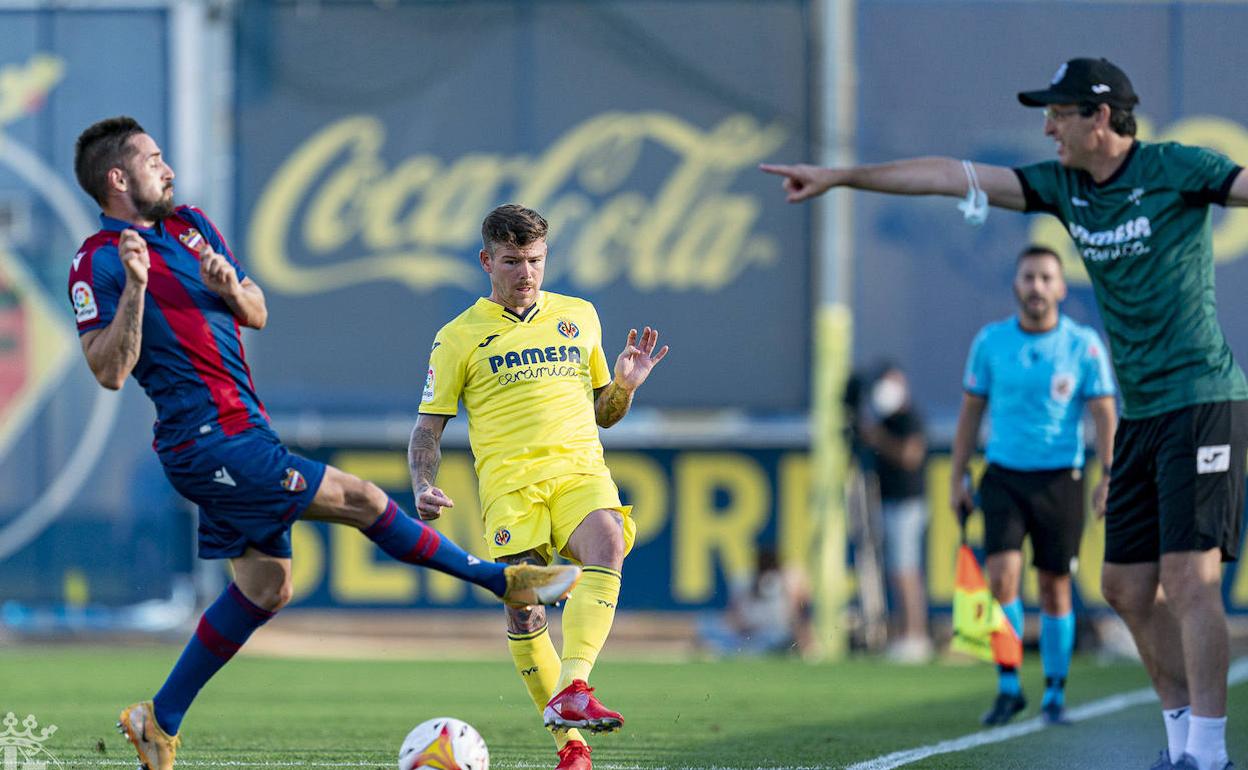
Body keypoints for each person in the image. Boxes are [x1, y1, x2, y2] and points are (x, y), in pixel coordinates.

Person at [762, 57, 1247, 770]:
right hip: (1144, 413)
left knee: (1187, 580)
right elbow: (943, 175)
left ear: (1100, 118)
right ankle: (1181, 741)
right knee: (1122, 587)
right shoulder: (1062, 187)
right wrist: (841, 177)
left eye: (1059, 114)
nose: (1047, 127)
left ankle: (1206, 754)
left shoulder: (1178, 167)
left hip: (1203, 401)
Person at [68, 117, 579, 770]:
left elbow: (257, 310)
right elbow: (108, 369)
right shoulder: (99, 262)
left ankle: (157, 720)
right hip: (205, 441)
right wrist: (136, 290)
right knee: (362, 497)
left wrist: (232, 286)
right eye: (153, 160)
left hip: (242, 427)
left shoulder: (189, 225)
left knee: (267, 586)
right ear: (118, 178)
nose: (167, 170)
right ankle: (498, 579)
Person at [409, 204, 668, 770]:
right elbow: (428, 427)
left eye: (535, 260)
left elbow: (606, 414)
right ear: (486, 261)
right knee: (525, 612)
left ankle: (575, 687)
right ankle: (571, 748)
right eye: (512, 261)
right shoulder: (457, 337)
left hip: (579, 473)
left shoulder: (581, 316)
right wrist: (423, 483)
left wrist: (624, 386)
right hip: (511, 487)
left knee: (608, 541)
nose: (526, 273)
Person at [950, 244, 1118, 726]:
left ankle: (1055, 693)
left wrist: (1109, 475)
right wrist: (958, 474)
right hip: (1002, 474)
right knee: (1002, 578)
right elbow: (971, 412)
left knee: (1053, 588)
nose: (1037, 287)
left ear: (1061, 288)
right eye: (1029, 277)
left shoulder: (1082, 345)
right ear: (1015, 287)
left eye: (1046, 278)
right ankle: (1008, 687)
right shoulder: (990, 342)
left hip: (1060, 478)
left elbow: (1104, 413)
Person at [858, 364, 933, 662]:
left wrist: (877, 438)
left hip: (907, 503)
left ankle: (915, 635)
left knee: (906, 571)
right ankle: (905, 634)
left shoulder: (909, 417)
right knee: (897, 571)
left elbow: (910, 455)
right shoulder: (886, 419)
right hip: (890, 501)